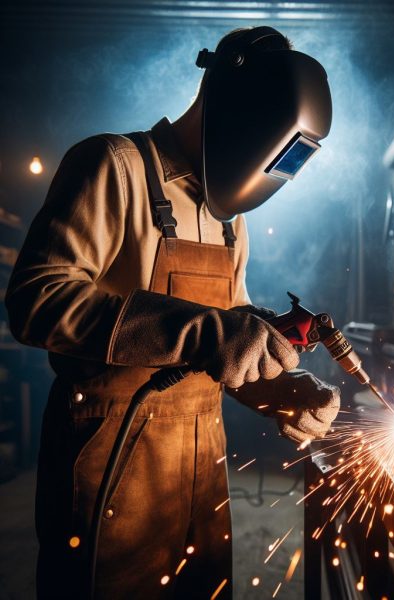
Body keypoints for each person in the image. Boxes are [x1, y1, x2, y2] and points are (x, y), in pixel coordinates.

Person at [6, 26, 339, 599]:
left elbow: (226, 345)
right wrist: (204, 331)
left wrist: (282, 389)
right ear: (238, 111)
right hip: (111, 462)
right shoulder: (114, 166)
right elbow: (37, 298)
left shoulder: (231, 218)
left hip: (201, 468)